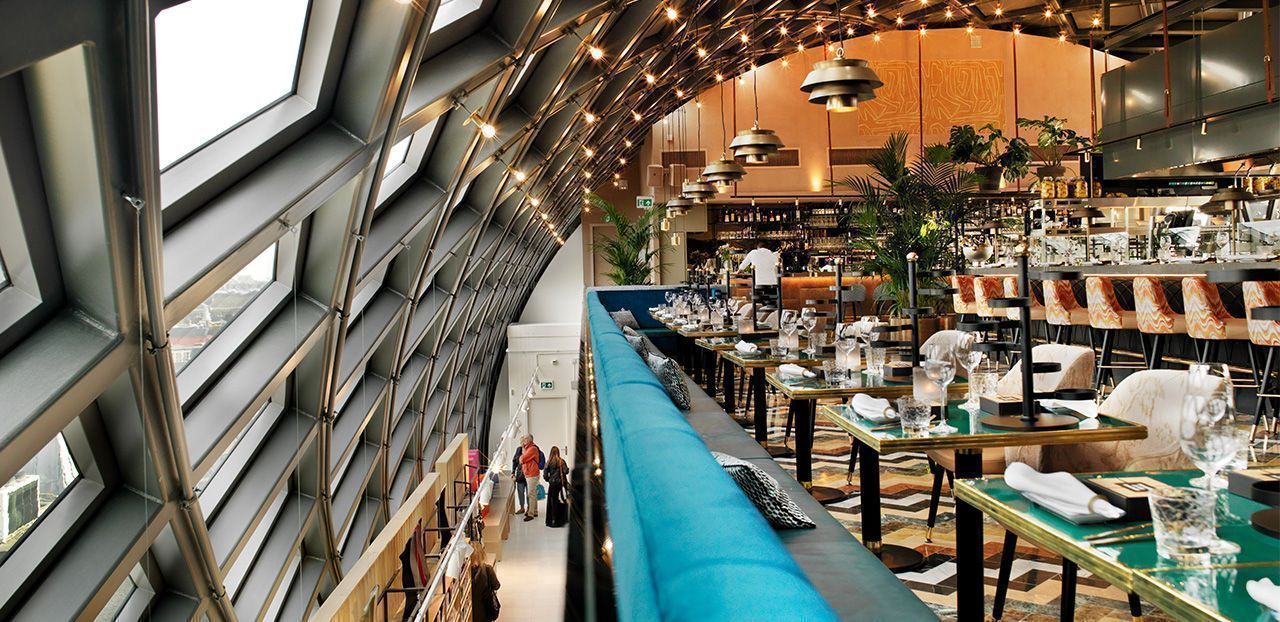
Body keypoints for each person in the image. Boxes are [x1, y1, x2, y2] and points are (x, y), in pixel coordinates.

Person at [469, 544, 501, 622]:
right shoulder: (487, 569)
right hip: (486, 609)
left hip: (471, 613)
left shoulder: (465, 574)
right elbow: (497, 585)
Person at [543, 446, 570, 528]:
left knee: (552, 502)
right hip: (560, 484)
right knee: (561, 500)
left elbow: (545, 475)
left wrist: (549, 480)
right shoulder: (561, 461)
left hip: (552, 485)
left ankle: (552, 520)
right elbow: (566, 471)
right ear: (558, 452)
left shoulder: (548, 462)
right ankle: (561, 520)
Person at [518, 435, 543, 521]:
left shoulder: (532, 449)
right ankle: (534, 511)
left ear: (530, 440)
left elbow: (522, 459)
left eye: (526, 438)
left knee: (531, 494)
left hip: (532, 474)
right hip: (530, 473)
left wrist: (522, 451)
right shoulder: (528, 448)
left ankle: (530, 514)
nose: (524, 439)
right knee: (533, 493)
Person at [512, 445, 527, 515]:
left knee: (529, 493)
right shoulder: (519, 449)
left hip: (529, 474)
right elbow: (514, 461)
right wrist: (513, 471)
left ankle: (529, 508)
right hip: (520, 475)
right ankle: (522, 507)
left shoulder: (531, 449)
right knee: (520, 492)